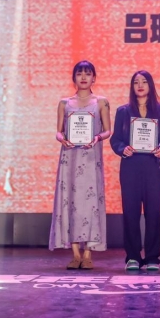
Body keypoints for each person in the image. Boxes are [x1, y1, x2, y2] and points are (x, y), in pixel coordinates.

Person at [110, 70, 160, 271]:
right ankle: (133, 256)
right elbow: (115, 140)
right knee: (130, 212)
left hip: (152, 167)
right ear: (132, 86)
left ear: (150, 85)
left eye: (144, 82)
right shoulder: (123, 111)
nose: (140, 85)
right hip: (130, 167)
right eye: (136, 82)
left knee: (153, 212)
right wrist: (122, 149)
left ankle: (153, 257)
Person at [49, 61, 111, 269]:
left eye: (87, 73)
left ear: (94, 78)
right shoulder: (64, 103)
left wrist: (97, 138)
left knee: (91, 202)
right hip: (70, 158)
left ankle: (88, 253)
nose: (83, 77)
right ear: (74, 78)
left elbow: (107, 131)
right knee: (70, 201)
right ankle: (75, 253)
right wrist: (62, 138)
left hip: (91, 158)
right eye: (79, 74)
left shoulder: (101, 102)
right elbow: (59, 131)